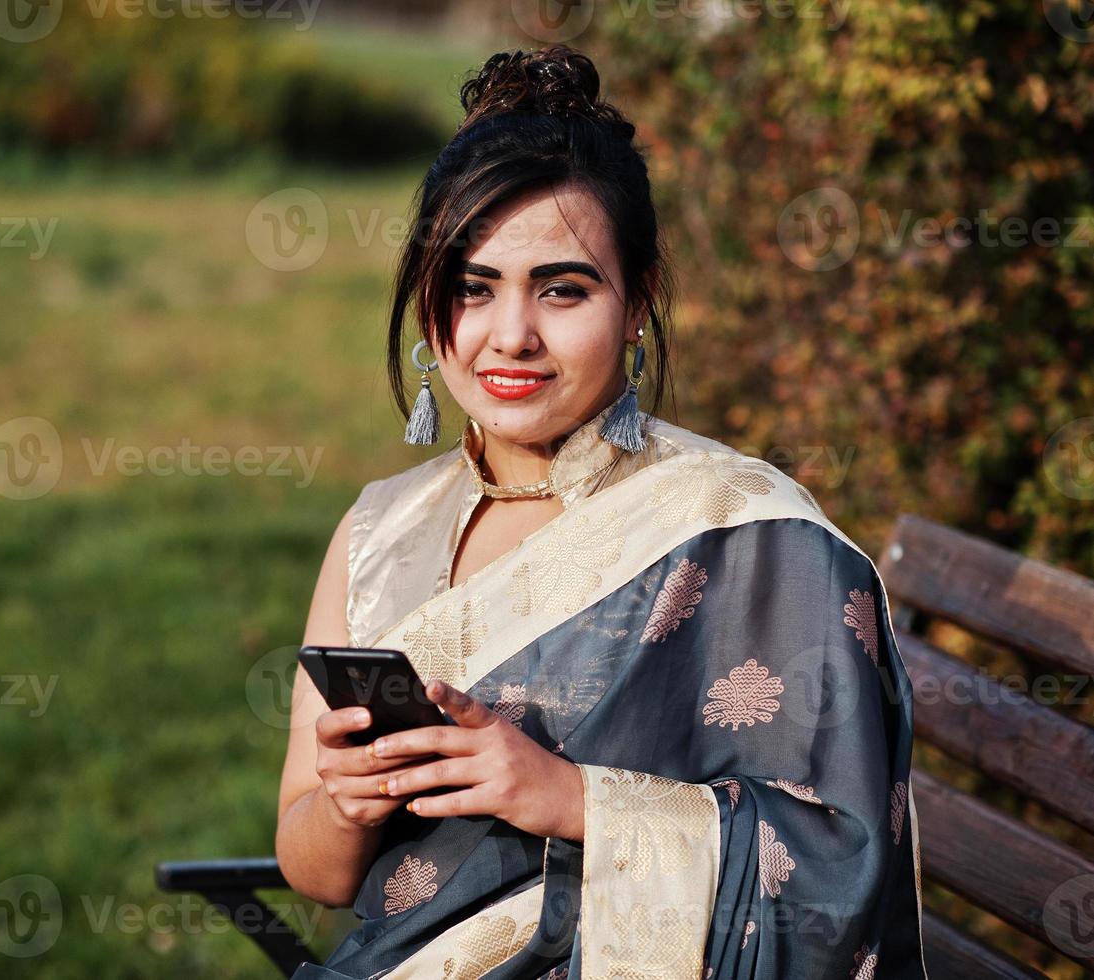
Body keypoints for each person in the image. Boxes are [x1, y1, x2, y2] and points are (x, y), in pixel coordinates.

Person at [275, 45, 926, 979]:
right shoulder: (379, 534)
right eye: (473, 286)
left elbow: (837, 866)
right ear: (430, 306)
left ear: (637, 304)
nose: (510, 335)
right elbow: (316, 875)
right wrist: (347, 803)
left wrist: (570, 798)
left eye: (561, 288)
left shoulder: (747, 531)